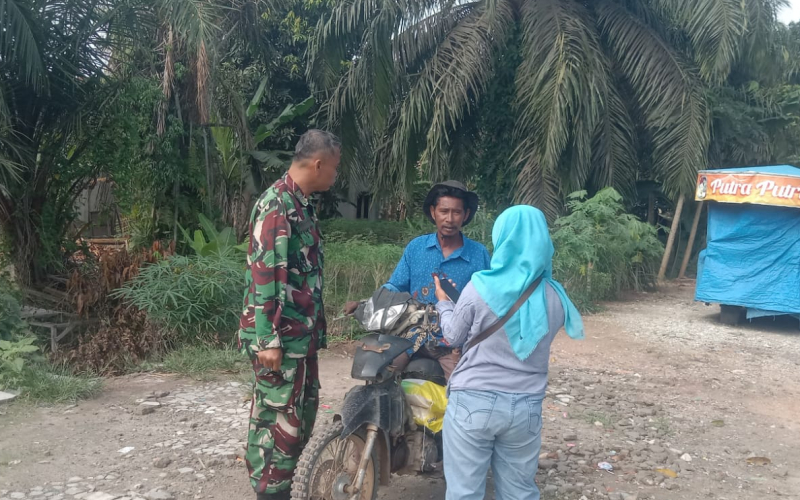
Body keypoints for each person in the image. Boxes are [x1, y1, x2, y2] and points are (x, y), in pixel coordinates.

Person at [433, 205, 584, 500]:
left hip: (473, 400)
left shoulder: (479, 287)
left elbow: (453, 336)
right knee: (520, 493)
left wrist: (444, 303)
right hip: (526, 406)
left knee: (464, 493)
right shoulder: (555, 296)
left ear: (501, 237)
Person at [237, 129, 341, 500]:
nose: (335, 175)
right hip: (279, 339)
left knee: (298, 418)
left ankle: (289, 487)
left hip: (300, 337)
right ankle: (270, 492)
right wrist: (268, 340)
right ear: (318, 163)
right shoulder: (277, 204)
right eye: (334, 168)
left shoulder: (301, 204)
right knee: (275, 421)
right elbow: (267, 273)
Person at [348, 181, 490, 379]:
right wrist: (367, 302)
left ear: (465, 215)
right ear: (433, 212)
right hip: (409, 337)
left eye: (456, 212)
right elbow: (395, 285)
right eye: (444, 211)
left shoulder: (478, 254)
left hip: (451, 343)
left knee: (461, 391)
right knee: (381, 376)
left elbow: (486, 301)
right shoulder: (416, 248)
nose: (449, 219)